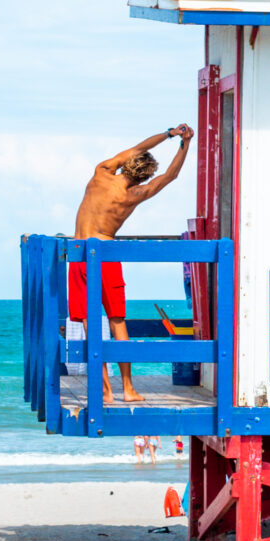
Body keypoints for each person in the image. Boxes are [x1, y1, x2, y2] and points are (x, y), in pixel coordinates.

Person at [70, 122, 194, 404]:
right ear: (142, 176)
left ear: (126, 165)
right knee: (117, 322)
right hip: (106, 256)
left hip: (79, 254)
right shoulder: (132, 195)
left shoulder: (101, 173)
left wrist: (169, 133)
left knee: (91, 324)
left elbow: (139, 148)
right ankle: (127, 389)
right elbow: (170, 176)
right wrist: (185, 144)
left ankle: (104, 391)